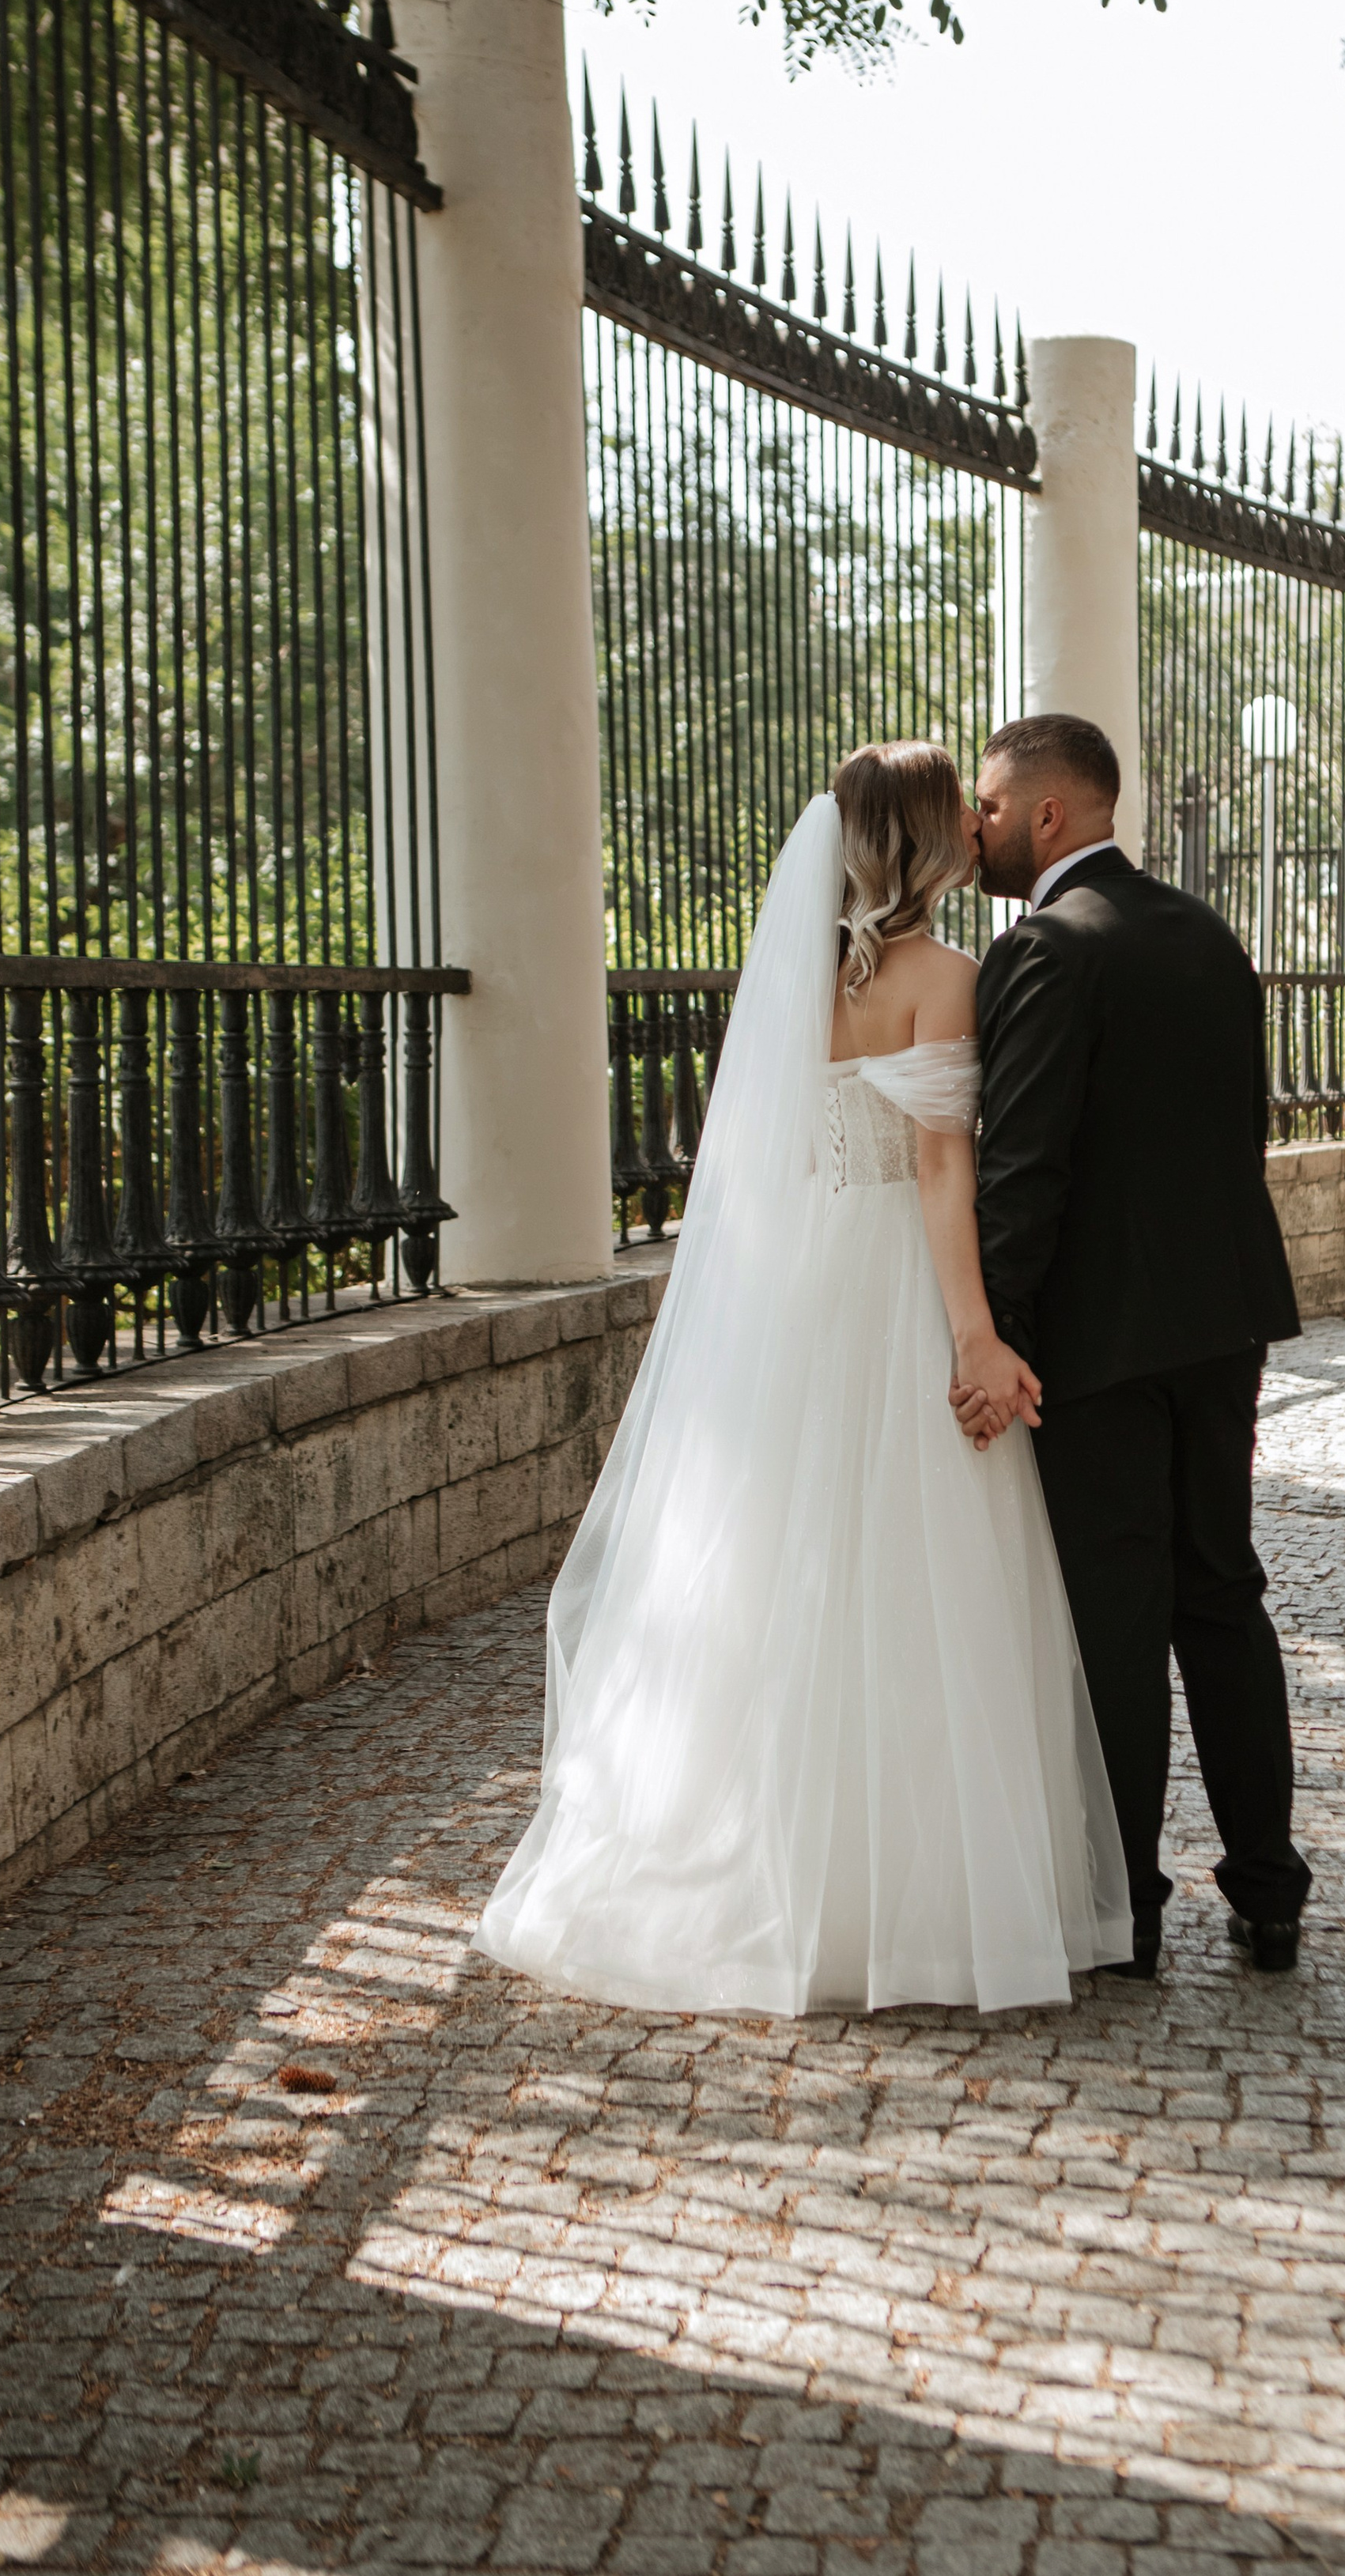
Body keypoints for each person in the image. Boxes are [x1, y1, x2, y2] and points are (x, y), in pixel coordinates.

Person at [474, 742, 1132, 2015]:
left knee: (787, 1567)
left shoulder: (798, 981)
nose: (969, 826)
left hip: (802, 1285)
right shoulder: (948, 975)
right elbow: (943, 1172)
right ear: (921, 840)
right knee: (917, 1576)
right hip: (894, 1281)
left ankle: (774, 1875)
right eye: (955, 811)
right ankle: (914, 1910)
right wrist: (973, 1336)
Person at [958, 712, 1312, 1977]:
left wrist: (991, 1339)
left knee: (1116, 1618)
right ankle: (1270, 1894)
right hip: (1223, 1325)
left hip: (1098, 1346)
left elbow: (1024, 1170)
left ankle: (1129, 1910)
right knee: (1222, 1593)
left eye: (990, 807)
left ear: (1050, 815)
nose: (977, 829)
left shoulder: (1049, 947)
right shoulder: (1207, 935)